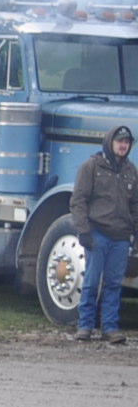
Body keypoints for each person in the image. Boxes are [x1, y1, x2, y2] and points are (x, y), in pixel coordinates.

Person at [71, 124, 138, 343]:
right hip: (97, 234)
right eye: (120, 141)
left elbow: (135, 205)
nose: (123, 146)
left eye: (127, 142)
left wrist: (135, 234)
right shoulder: (91, 167)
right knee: (91, 282)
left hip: (120, 237)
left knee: (114, 284)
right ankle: (85, 326)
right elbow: (78, 200)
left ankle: (110, 328)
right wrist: (84, 231)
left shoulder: (131, 171)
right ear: (110, 142)